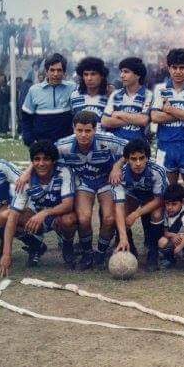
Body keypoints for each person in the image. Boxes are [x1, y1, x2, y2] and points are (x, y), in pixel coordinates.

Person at [55, 111, 127, 270]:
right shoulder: (64, 144)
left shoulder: (107, 140)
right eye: (79, 130)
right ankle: (87, 253)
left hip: (106, 180)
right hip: (84, 181)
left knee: (109, 218)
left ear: (96, 129)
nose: (83, 135)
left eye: (88, 131)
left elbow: (131, 148)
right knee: (84, 217)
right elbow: (45, 153)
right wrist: (27, 172)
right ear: (73, 128)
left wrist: (117, 166)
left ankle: (100, 253)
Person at [0, 141, 78, 276]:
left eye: (46, 159)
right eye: (37, 159)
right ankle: (35, 245)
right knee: (5, 217)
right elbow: (13, 216)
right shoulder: (25, 180)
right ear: (32, 161)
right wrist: (7, 254)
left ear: (53, 161)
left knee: (70, 219)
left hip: (58, 216)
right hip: (35, 218)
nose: (41, 163)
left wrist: (45, 213)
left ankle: (67, 245)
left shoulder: (63, 172)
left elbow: (68, 204)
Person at [151, 48, 184, 186]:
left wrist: (169, 109)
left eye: (182, 68)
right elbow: (155, 117)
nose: (178, 71)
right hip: (165, 144)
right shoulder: (160, 89)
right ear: (169, 68)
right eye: (174, 68)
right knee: (166, 190)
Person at [112, 138, 167, 272]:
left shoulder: (157, 171)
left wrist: (136, 214)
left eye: (141, 158)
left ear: (147, 158)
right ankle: (127, 244)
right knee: (120, 215)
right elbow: (118, 206)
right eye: (133, 159)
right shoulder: (121, 174)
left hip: (152, 198)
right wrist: (123, 235)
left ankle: (152, 252)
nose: (138, 163)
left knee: (157, 213)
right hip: (134, 196)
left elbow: (159, 200)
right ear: (127, 159)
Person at [21, 53, 76, 146]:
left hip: (67, 146)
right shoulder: (34, 90)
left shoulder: (73, 88)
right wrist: (29, 141)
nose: (55, 74)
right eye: (52, 70)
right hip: (42, 146)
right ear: (46, 71)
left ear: (64, 72)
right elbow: (26, 119)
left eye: (59, 70)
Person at [101, 57, 153, 141]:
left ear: (138, 75)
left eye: (126, 72)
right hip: (116, 144)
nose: (122, 75)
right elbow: (104, 121)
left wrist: (119, 114)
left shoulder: (148, 95)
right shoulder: (115, 94)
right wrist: (135, 119)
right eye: (121, 71)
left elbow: (143, 120)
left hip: (137, 146)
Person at [158, 183, 184, 268]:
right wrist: (172, 235)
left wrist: (180, 247)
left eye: (174, 204)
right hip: (175, 238)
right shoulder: (166, 213)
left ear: (183, 202)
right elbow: (165, 231)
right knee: (162, 241)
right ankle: (170, 260)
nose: (170, 207)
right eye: (167, 204)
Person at [70, 57, 110, 124]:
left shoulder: (109, 97)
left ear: (102, 76)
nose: (89, 78)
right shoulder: (74, 96)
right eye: (86, 74)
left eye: (93, 74)